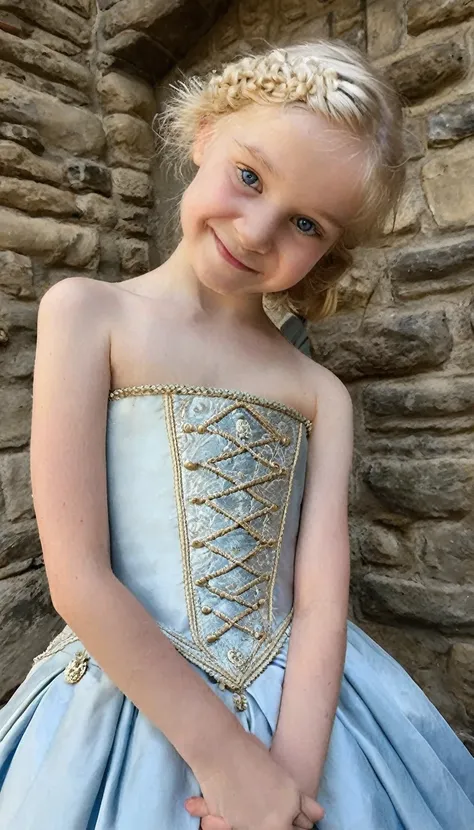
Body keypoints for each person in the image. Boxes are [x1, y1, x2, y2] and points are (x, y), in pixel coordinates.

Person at [0, 40, 472, 830]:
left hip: (304, 714)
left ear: (329, 249)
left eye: (305, 223)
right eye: (249, 177)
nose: (256, 231)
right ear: (205, 133)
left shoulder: (318, 391)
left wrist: (285, 782)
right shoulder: (89, 314)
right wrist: (227, 762)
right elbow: (77, 576)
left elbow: (322, 604)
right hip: (126, 697)